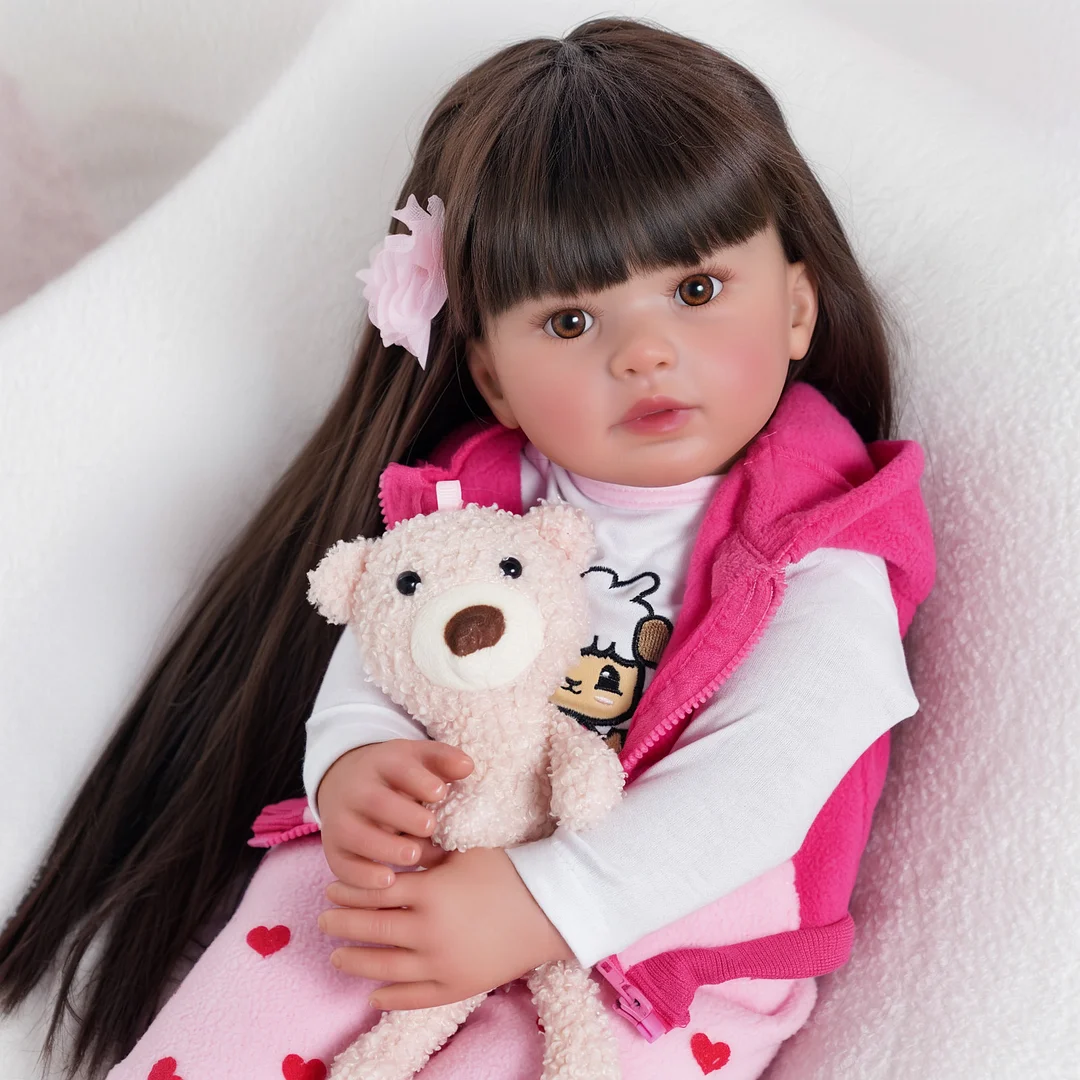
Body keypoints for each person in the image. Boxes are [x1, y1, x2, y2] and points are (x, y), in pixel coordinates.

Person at [0, 15, 934, 1080]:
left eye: (697, 291)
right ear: (491, 375)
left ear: (798, 307)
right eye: (571, 323)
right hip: (424, 872)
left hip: (660, 945)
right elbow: (384, 660)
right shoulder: (468, 500)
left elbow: (767, 783)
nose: (645, 352)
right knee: (275, 981)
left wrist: (544, 902)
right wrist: (353, 766)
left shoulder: (822, 543)